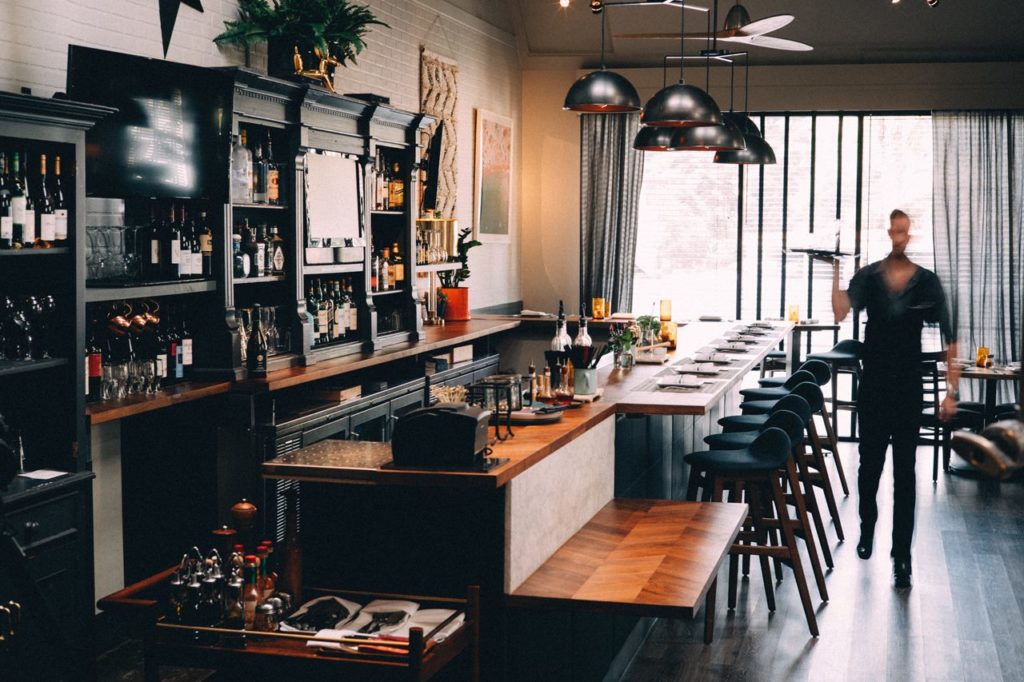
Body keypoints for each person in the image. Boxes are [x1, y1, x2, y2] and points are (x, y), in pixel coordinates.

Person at [830, 209, 960, 589]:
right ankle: (867, 526)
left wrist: (951, 392)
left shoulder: (927, 282)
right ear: (889, 232)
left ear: (909, 234)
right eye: (895, 229)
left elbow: (950, 338)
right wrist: (837, 267)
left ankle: (901, 557)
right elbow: (840, 311)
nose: (899, 235)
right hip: (873, 389)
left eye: (905, 230)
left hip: (908, 390)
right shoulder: (869, 276)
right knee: (869, 469)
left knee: (906, 475)